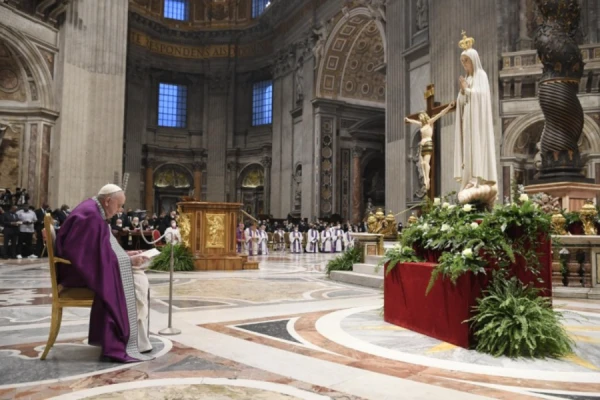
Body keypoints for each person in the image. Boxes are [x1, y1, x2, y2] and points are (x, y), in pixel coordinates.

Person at [55, 184, 153, 362]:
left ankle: (135, 337)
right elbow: (87, 257)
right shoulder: (90, 216)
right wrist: (128, 261)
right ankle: (124, 338)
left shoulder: (93, 211)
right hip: (76, 273)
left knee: (137, 277)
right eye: (119, 205)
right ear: (108, 201)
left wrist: (125, 255)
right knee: (137, 281)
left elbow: (99, 250)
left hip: (80, 267)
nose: (120, 210)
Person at [453, 32, 498, 205]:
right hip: (468, 122)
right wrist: (463, 92)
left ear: (474, 60)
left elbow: (482, 97)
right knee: (467, 149)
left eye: (466, 61)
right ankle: (469, 179)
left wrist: (468, 90)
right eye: (462, 62)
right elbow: (462, 101)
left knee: (476, 148)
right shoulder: (468, 78)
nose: (464, 64)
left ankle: (477, 179)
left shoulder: (481, 76)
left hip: (478, 123)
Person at [404, 101, 455, 190]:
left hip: (428, 143)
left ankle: (427, 179)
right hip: (421, 145)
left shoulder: (430, 122)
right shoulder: (421, 125)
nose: (419, 118)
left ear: (424, 116)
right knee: (422, 163)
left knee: (426, 162)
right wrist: (408, 120)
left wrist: (449, 107)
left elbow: (440, 114)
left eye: (420, 117)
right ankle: (425, 179)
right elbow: (414, 121)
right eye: (419, 117)